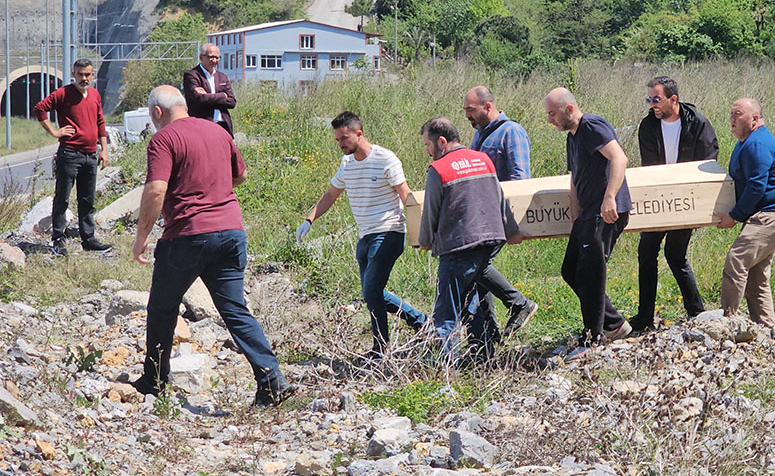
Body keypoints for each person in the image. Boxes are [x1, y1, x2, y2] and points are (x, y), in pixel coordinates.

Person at [130, 85, 293, 407]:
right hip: (231, 232)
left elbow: (155, 190)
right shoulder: (218, 132)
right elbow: (240, 176)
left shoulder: (164, 139)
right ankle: (272, 380)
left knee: (162, 308)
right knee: (235, 310)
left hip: (188, 236)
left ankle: (155, 381)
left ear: (157, 112)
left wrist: (141, 236)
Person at [296, 112, 426, 360]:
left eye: (344, 138)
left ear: (359, 133)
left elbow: (406, 196)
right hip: (364, 235)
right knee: (371, 292)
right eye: (337, 140)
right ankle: (422, 324)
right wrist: (309, 219)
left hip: (388, 231)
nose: (340, 144)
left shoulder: (385, 159)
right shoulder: (347, 164)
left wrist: (419, 232)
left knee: (371, 290)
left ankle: (381, 348)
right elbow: (331, 195)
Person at [417, 117, 521, 362]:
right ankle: (482, 356)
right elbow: (499, 197)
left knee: (446, 310)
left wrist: (425, 239)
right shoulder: (482, 159)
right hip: (491, 240)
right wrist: (512, 230)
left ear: (441, 141)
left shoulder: (438, 169)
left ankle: (446, 366)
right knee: (470, 299)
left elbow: (431, 210)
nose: (427, 151)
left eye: (427, 145)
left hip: (458, 244)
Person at [544, 87, 633, 349]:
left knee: (592, 273)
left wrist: (610, 198)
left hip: (606, 211)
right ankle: (614, 324)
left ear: (569, 109)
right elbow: (574, 178)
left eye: (552, 114)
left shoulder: (593, 125)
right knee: (571, 270)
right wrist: (575, 212)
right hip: (587, 213)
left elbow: (619, 159)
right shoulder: (572, 137)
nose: (550, 120)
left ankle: (593, 337)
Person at [631, 76, 719, 332]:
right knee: (646, 252)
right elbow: (649, 167)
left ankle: (696, 312)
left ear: (673, 99)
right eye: (649, 99)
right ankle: (645, 317)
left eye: (656, 99)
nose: (651, 105)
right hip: (658, 197)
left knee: (675, 254)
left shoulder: (698, 124)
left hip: (686, 198)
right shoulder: (647, 127)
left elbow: (709, 160)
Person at [713, 98, 775, 328]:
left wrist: (735, 215)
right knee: (756, 274)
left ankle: (728, 322)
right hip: (767, 214)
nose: (732, 119)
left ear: (755, 119)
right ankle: (766, 329)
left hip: (772, 215)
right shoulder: (747, 141)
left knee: (737, 259)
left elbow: (757, 186)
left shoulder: (757, 143)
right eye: (731, 114)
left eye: (738, 114)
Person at [463, 86, 538, 336]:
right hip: (481, 215)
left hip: (499, 214)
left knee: (475, 264)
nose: (468, 116)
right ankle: (490, 334)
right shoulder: (480, 135)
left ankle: (520, 304)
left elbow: (520, 179)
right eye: (465, 111)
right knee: (474, 269)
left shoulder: (511, 132)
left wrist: (510, 221)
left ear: (488, 107)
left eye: (471, 110)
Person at [33, 58, 112, 256]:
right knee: (62, 197)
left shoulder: (94, 94)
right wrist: (54, 132)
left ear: (92, 75)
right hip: (69, 154)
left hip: (90, 155)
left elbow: (100, 122)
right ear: (74, 74)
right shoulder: (64, 93)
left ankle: (89, 238)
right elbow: (39, 108)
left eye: (87, 74)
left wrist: (104, 150)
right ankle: (58, 239)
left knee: (87, 199)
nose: (84, 78)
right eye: (80, 74)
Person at [183, 44, 236, 136]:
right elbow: (198, 99)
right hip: (202, 124)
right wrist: (222, 96)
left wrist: (207, 96)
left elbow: (232, 102)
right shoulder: (192, 75)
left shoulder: (222, 77)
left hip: (223, 125)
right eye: (211, 57)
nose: (214, 61)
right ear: (201, 57)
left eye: (217, 58)